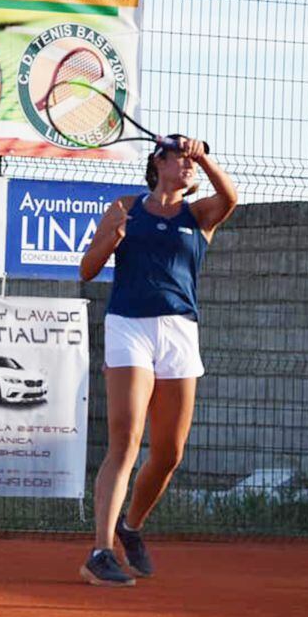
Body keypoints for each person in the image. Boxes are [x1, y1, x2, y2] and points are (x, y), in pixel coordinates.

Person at [78, 135, 237, 586]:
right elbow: (86, 270)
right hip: (129, 325)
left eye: (192, 162)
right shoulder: (125, 207)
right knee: (126, 441)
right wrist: (110, 240)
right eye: (181, 159)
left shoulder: (200, 214)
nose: (188, 166)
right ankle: (100, 551)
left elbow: (231, 197)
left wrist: (204, 156)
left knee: (168, 453)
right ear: (158, 162)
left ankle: (131, 527)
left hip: (180, 332)